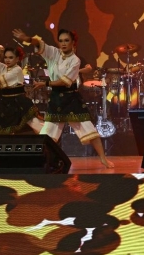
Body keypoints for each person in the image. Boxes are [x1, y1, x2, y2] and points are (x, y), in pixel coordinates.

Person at [13, 27, 113, 168]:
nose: (63, 44)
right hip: (56, 100)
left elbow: (65, 82)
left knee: (90, 130)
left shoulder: (75, 60)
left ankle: (103, 158)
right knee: (46, 135)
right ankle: (38, 161)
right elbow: (39, 43)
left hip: (71, 99)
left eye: (66, 41)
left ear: (73, 43)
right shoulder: (53, 53)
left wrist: (45, 83)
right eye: (61, 41)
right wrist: (27, 38)